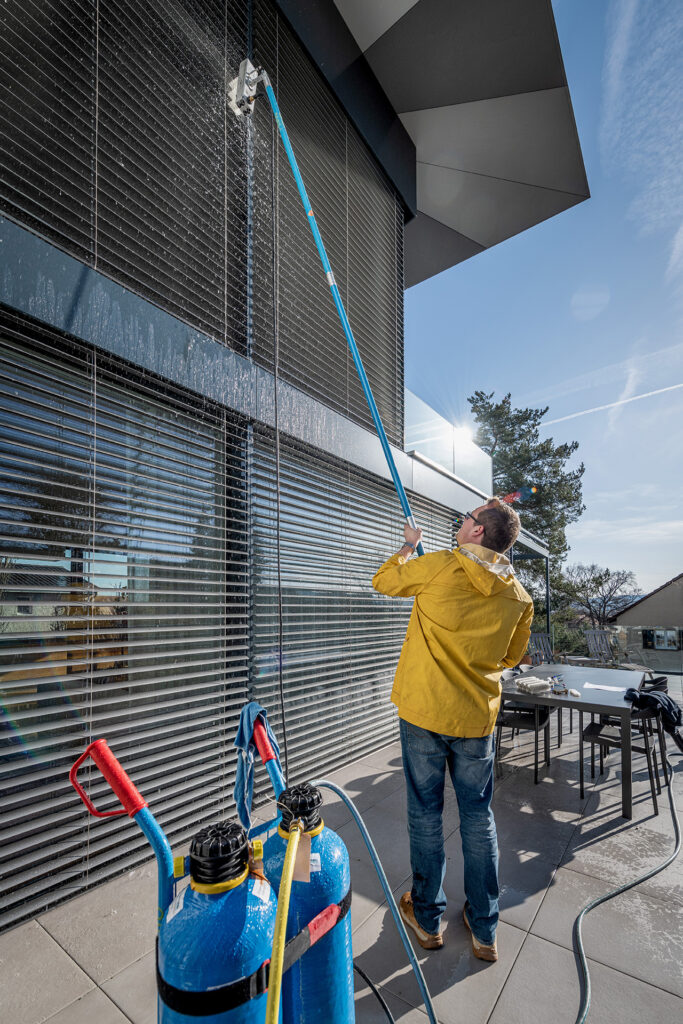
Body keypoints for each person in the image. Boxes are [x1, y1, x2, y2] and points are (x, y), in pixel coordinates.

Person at [372, 497, 534, 961]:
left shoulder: (439, 565)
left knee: (425, 814)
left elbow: (382, 581)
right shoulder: (519, 597)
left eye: (466, 517)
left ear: (478, 532)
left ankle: (426, 919)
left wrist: (408, 548)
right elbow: (508, 658)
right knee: (478, 818)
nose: (461, 521)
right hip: (474, 719)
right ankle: (484, 929)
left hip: (424, 713)